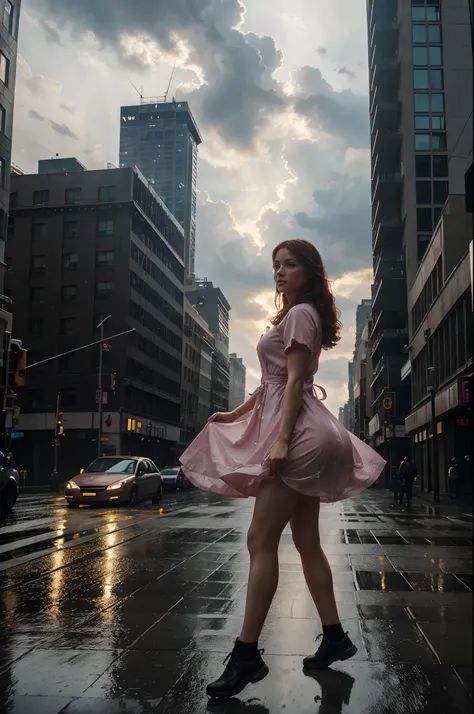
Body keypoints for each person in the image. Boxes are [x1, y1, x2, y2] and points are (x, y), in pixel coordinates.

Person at [180, 239, 386, 700]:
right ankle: (334, 637)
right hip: (314, 431)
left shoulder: (300, 314)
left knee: (260, 539)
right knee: (307, 540)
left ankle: (247, 655)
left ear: (310, 272)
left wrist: (282, 439)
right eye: (276, 265)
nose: (279, 272)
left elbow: (294, 380)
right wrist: (233, 416)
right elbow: (271, 382)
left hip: (303, 436)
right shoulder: (299, 314)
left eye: (289, 265)